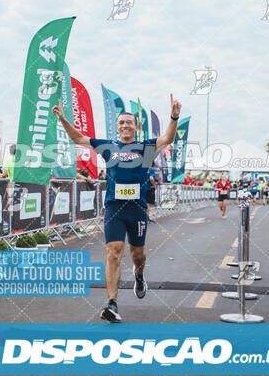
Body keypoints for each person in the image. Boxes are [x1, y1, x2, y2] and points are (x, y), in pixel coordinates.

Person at [52, 93, 181, 323]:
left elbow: (168, 139)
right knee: (113, 251)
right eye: (121, 122)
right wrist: (63, 119)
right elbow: (78, 139)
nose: (124, 125)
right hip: (114, 207)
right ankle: (112, 303)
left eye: (128, 122)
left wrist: (173, 117)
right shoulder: (107, 146)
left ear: (135, 126)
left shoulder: (145, 147)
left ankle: (139, 274)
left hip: (138, 209)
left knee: (137, 254)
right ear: (117, 127)